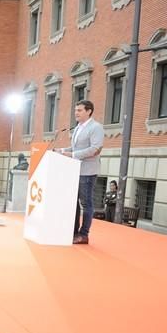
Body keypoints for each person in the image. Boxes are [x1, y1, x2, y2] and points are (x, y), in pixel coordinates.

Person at [58, 99, 104, 244]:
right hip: (74, 170)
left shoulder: (96, 127)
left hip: (88, 172)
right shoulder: (78, 127)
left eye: (79, 110)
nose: (76, 113)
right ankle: (73, 232)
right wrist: (61, 150)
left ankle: (84, 234)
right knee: (74, 202)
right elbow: (76, 148)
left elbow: (94, 149)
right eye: (75, 110)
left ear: (89, 111)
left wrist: (71, 155)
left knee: (86, 203)